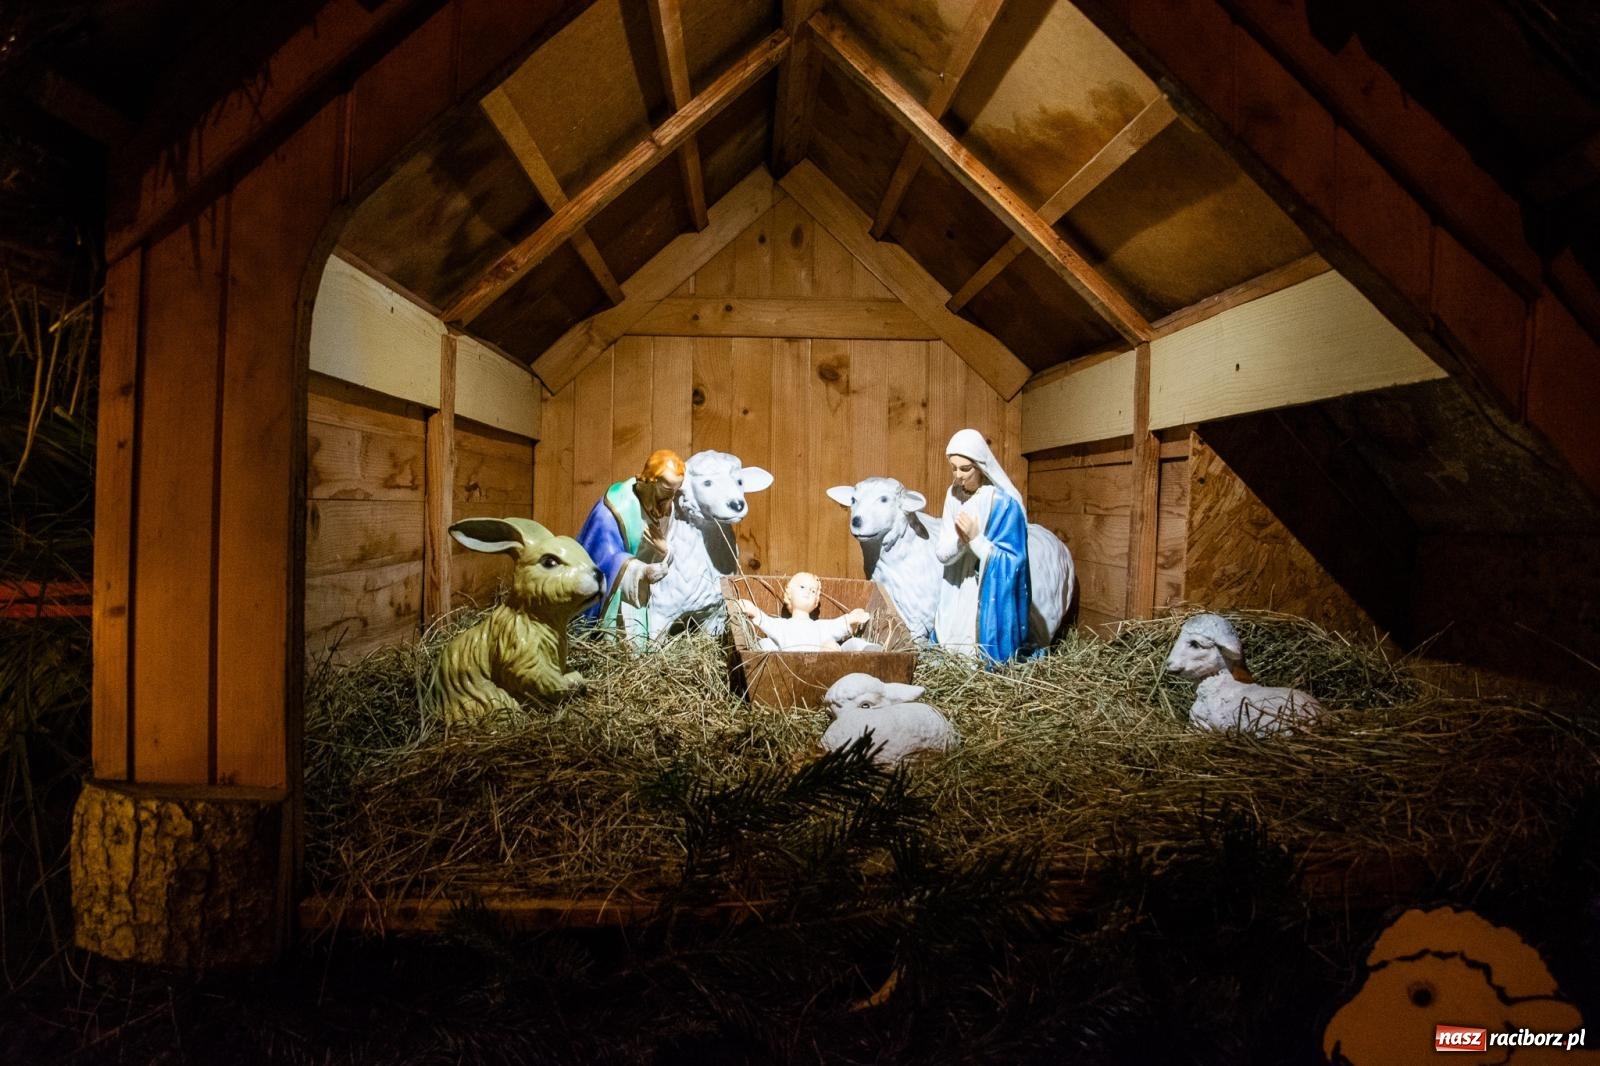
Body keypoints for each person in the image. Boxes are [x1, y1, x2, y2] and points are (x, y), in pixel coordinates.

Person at [933, 429, 1030, 663]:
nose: (958, 475)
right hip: (957, 588)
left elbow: (1014, 562)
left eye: (965, 469)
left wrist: (976, 540)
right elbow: (942, 553)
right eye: (953, 467)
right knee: (950, 645)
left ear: (980, 466)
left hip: (986, 592)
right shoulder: (953, 494)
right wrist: (960, 540)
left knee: (974, 653)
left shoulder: (1003, 504)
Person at [576, 449, 684, 647]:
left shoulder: (666, 506)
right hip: (618, 596)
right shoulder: (612, 511)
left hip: (648, 595)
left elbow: (672, 547)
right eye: (668, 491)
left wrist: (664, 551)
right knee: (625, 647)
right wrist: (639, 571)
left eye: (675, 492)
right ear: (651, 483)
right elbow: (601, 559)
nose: (671, 500)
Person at [736, 572, 880, 652]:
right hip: (787, 666)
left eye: (813, 591)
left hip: (819, 668)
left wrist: (850, 618)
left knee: (838, 645)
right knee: (766, 644)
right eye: (803, 587)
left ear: (816, 600)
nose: (808, 592)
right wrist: (753, 610)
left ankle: (869, 651)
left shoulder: (818, 627)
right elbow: (767, 622)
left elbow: (835, 625)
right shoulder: (783, 626)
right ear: (789, 594)